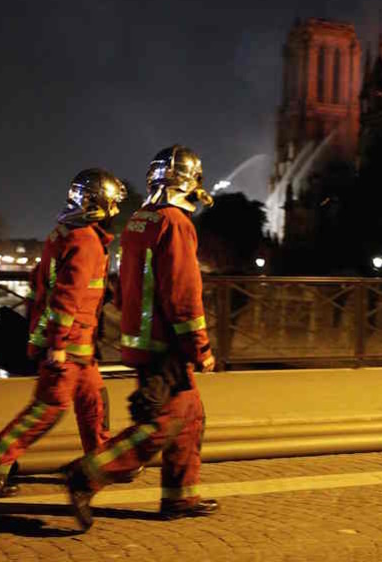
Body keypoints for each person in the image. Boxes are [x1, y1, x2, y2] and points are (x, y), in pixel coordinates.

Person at [65, 145, 218, 531]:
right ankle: (90, 472)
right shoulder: (177, 224)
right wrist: (200, 347)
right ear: (187, 183)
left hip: (142, 337)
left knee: (191, 415)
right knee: (163, 423)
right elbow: (184, 292)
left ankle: (180, 497)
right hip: (166, 342)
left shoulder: (139, 220)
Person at [0, 169, 126, 497]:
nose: (115, 211)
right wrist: (57, 343)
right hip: (69, 343)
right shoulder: (86, 241)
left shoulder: (63, 234)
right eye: (112, 204)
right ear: (96, 204)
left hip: (78, 342)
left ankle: (100, 463)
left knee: (92, 401)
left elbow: (40, 283)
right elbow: (67, 296)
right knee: (50, 406)